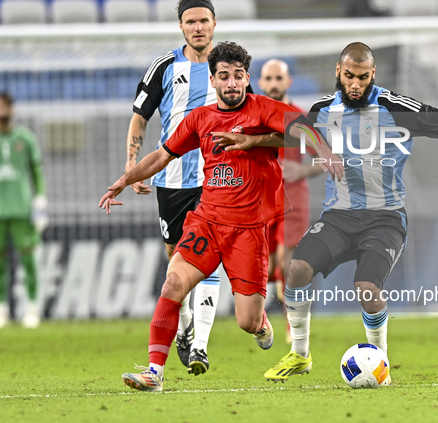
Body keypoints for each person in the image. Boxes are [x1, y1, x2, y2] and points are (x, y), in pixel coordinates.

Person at [259, 42, 438, 384]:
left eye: (363, 78)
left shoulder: (395, 107)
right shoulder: (323, 108)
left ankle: (380, 359)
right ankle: (299, 353)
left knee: (367, 288)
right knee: (296, 269)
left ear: (373, 75)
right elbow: (294, 131)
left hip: (385, 219)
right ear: (338, 72)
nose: (356, 85)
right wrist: (290, 146)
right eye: (350, 77)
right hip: (337, 217)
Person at [99, 41, 342, 392]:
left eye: (238, 76)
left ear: (246, 78)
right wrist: (124, 179)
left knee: (246, 320)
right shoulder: (199, 118)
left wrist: (275, 146)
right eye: (224, 76)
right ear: (212, 80)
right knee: (172, 283)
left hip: (248, 232)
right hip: (208, 222)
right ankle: (154, 372)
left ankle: (260, 325)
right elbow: (161, 155)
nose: (232, 83)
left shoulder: (263, 109)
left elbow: (304, 130)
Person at [125, 0, 265, 376]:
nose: (198, 27)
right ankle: (186, 326)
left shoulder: (229, 70)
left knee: (211, 256)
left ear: (215, 23)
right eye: (191, 21)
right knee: (179, 261)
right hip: (171, 180)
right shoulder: (166, 67)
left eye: (204, 20)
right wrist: (132, 166)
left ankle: (199, 344)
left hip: (217, 181)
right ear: (181, 27)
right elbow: (140, 118)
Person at [258, 59, 324, 342]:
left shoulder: (299, 119)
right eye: (268, 79)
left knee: (287, 262)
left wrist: (303, 169)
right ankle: (274, 312)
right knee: (267, 266)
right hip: (261, 199)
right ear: (260, 83)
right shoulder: (254, 118)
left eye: (278, 78)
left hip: (293, 198)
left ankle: (292, 324)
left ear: (288, 83)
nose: (273, 84)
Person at [0, 92, 48, 329]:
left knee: (28, 261)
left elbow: (36, 172)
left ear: (12, 110)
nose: (2, 111)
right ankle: (1, 311)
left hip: (22, 209)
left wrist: (40, 202)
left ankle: (32, 309)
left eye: (6, 106)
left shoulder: (25, 138)